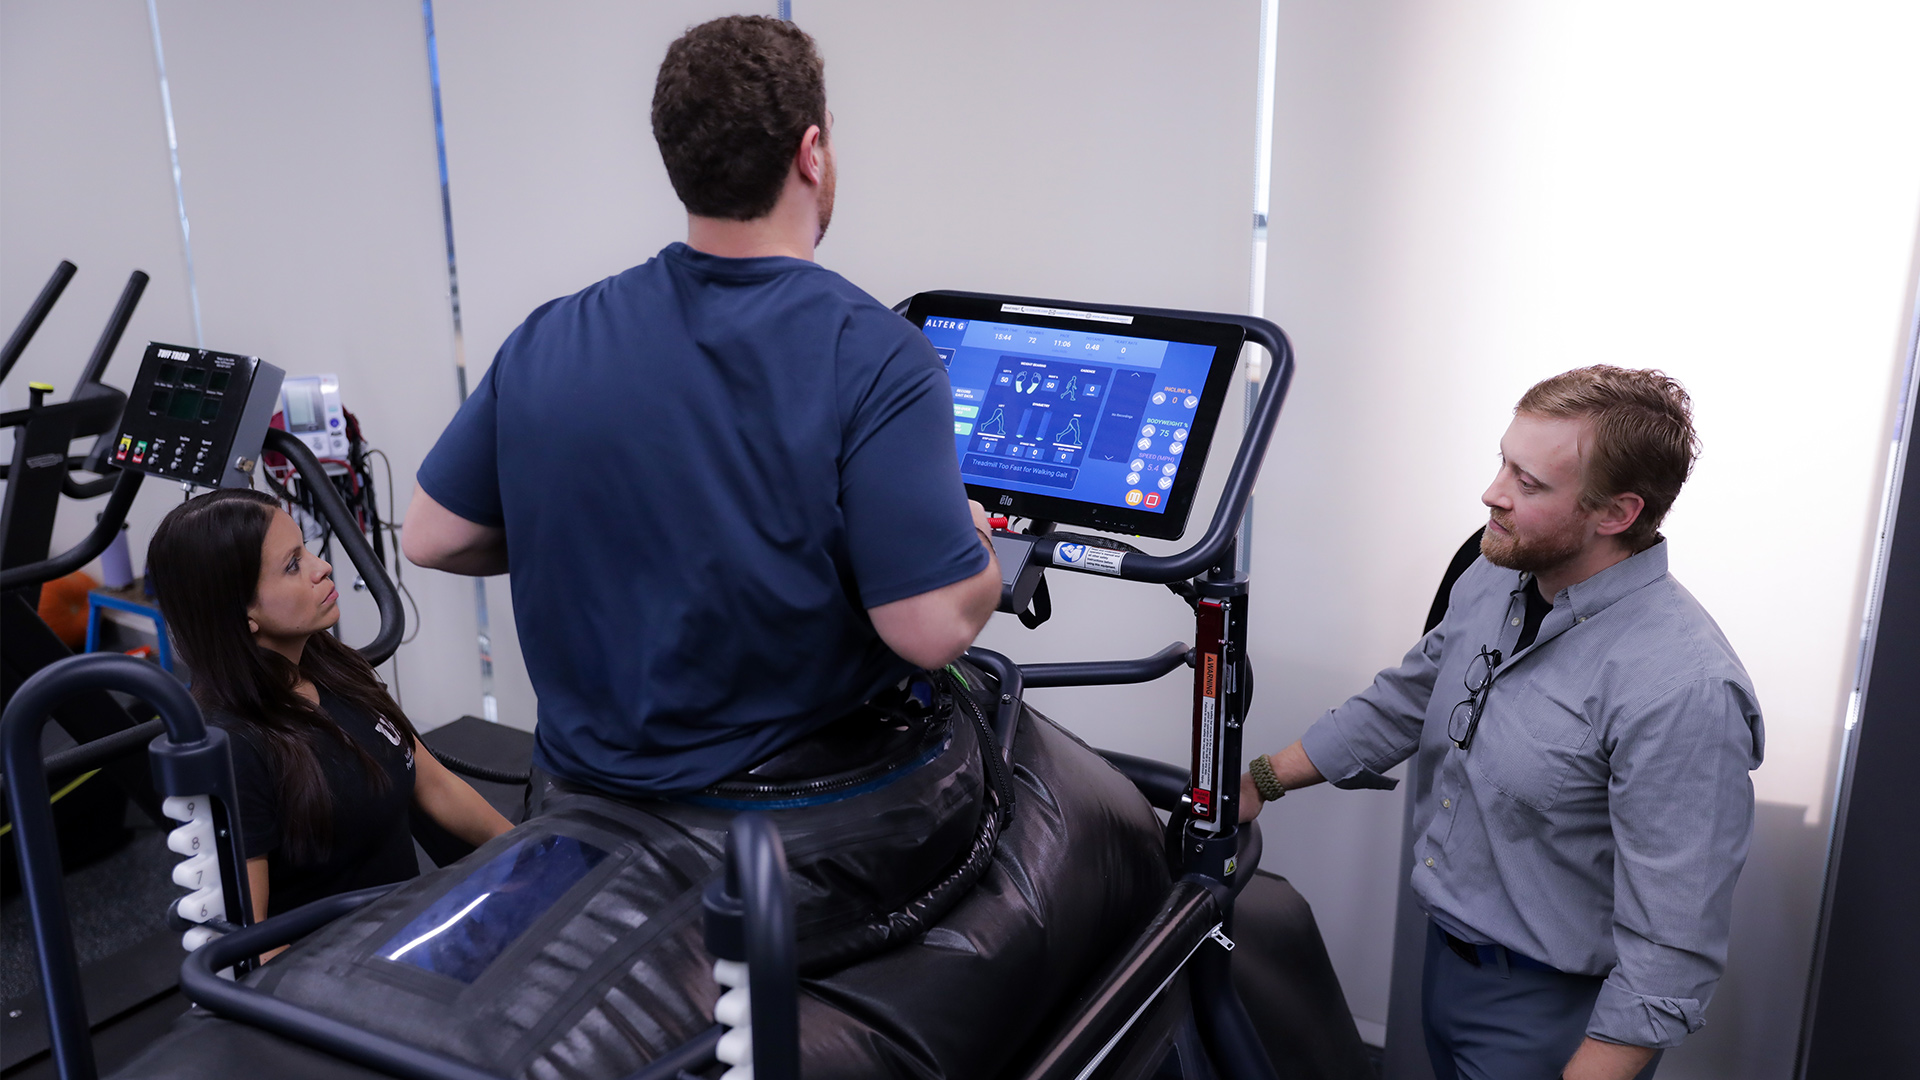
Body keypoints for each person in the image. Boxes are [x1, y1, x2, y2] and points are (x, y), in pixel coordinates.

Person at [402, 15, 1000, 798]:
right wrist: (979, 551)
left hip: (578, 793)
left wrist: (598, 532)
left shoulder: (551, 334)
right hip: (783, 817)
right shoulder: (875, 353)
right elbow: (928, 631)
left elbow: (432, 535)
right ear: (811, 152)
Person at [1238, 367, 1763, 1080]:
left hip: (1555, 1015)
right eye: (1502, 463)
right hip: (1448, 963)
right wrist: (1262, 780)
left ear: (1615, 514)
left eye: (1529, 482)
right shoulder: (1496, 575)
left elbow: (1672, 940)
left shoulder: (1682, 687)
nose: (1493, 493)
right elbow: (1411, 694)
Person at [149, 489, 512, 931]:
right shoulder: (234, 745)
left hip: (404, 936)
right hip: (331, 979)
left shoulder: (331, 663)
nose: (321, 568)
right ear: (243, 614)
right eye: (292, 565)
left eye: (307, 550)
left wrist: (528, 851)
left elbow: (432, 783)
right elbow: (254, 941)